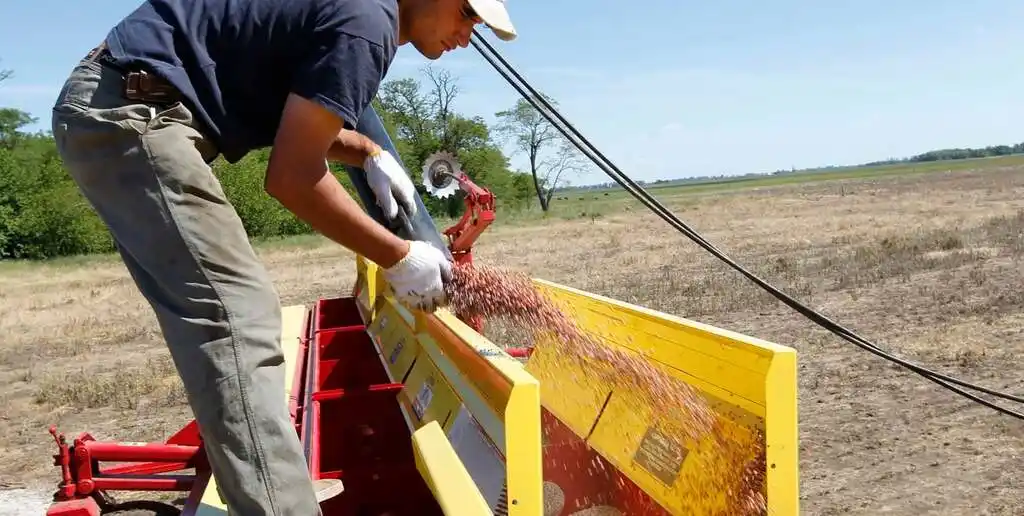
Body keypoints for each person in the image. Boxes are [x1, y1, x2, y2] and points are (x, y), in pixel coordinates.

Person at [49, 0, 517, 514]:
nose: (468, 36)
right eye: (468, 15)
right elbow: (291, 177)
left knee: (235, 314)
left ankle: (268, 489)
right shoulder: (368, 23)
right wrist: (400, 257)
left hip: (127, 98)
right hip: (135, 112)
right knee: (236, 318)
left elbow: (289, 116)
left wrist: (365, 152)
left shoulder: (357, 12)